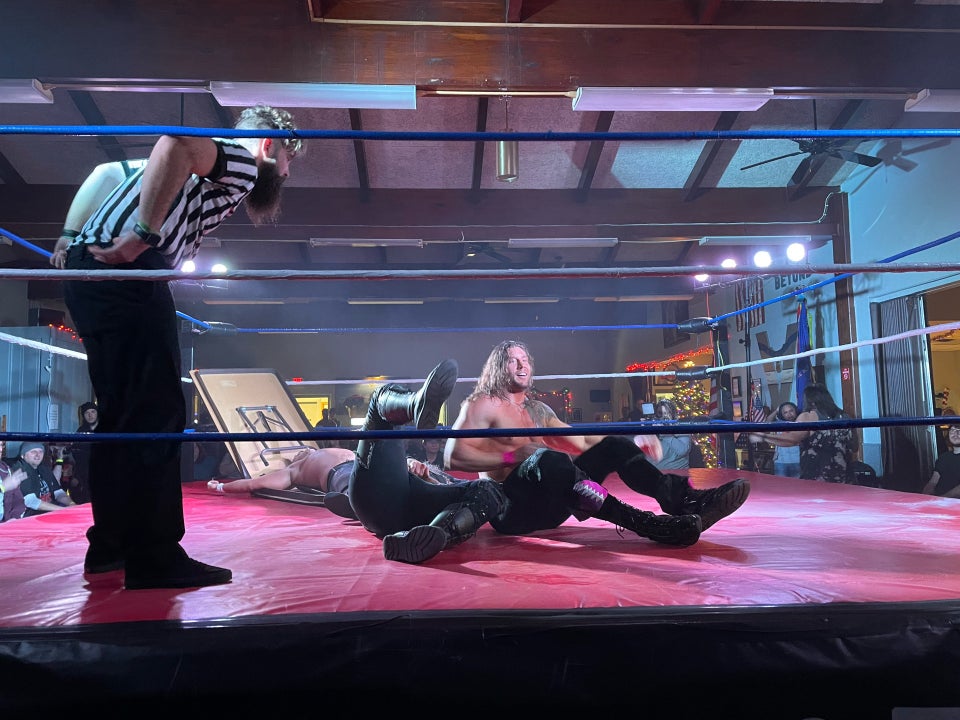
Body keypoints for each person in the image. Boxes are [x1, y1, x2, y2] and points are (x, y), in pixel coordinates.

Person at [53, 104, 302, 590]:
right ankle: (155, 556)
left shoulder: (184, 169)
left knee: (121, 418)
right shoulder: (243, 160)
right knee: (157, 415)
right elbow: (177, 141)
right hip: (129, 277)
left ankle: (110, 547)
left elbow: (108, 171)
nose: (287, 174)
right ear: (271, 144)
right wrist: (139, 237)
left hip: (95, 277)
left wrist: (70, 236)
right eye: (290, 160)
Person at [443, 340, 750, 544]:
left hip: (552, 507)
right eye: (513, 361)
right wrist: (512, 457)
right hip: (511, 511)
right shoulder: (484, 404)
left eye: (525, 360)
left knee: (611, 445)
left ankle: (685, 501)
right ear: (500, 367)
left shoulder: (539, 410)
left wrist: (632, 442)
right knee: (546, 458)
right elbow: (453, 456)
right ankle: (647, 525)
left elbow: (581, 442)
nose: (522, 366)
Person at [352, 359, 508, 564]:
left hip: (412, 509)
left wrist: (433, 482)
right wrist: (409, 462)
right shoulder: (485, 421)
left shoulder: (473, 483)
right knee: (381, 404)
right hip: (392, 490)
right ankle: (415, 404)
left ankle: (429, 538)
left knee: (490, 490)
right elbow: (455, 456)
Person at [208, 445, 359, 519]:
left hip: (360, 462)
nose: (302, 450)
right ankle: (355, 503)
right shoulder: (294, 470)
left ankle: (359, 501)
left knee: (356, 481)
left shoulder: (322, 452)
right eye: (297, 454)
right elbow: (252, 484)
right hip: (337, 472)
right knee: (349, 483)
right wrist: (221, 486)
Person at [749, 383, 858, 484]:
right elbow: (855, 447)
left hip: (818, 479)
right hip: (844, 477)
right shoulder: (845, 416)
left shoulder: (809, 416)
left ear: (810, 401)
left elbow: (791, 439)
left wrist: (762, 437)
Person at [14, 442, 76, 517]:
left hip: (51, 512)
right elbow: (31, 501)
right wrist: (62, 510)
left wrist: (72, 504)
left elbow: (58, 493)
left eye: (40, 451)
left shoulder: (44, 469)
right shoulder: (20, 470)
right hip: (31, 516)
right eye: (33, 452)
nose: (38, 455)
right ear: (22, 455)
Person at [651, 398, 692, 472]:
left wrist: (665, 434)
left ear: (673, 413)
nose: (664, 417)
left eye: (667, 413)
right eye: (660, 413)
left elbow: (683, 450)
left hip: (678, 472)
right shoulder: (653, 427)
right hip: (656, 472)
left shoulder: (681, 427)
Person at [921, 424, 960, 498]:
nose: (955, 433)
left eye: (959, 430)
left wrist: (941, 498)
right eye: (952, 430)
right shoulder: (943, 457)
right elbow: (933, 482)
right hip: (938, 501)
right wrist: (924, 497)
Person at [766, 401, 801, 478]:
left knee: (798, 485)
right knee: (781, 485)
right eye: (785, 412)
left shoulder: (801, 422)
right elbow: (767, 422)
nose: (789, 414)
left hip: (798, 461)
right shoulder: (779, 424)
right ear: (782, 414)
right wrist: (776, 411)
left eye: (791, 411)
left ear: (795, 411)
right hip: (780, 462)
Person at [0, 439, 28, 522]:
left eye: (1, 445)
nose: (0, 449)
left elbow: (18, 501)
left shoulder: (6, 469)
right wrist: (2, 487)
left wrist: (14, 518)